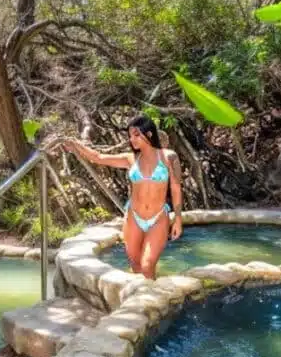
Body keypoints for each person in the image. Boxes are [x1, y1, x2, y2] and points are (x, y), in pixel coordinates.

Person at [53, 116, 184, 279]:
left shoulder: (169, 157)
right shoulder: (131, 159)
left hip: (158, 218)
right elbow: (98, 158)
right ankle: (141, 300)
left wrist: (178, 218)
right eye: (130, 135)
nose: (132, 139)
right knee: (136, 266)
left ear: (149, 134)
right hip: (133, 217)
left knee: (147, 265)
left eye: (136, 134)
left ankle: (152, 301)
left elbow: (176, 188)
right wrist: (75, 145)